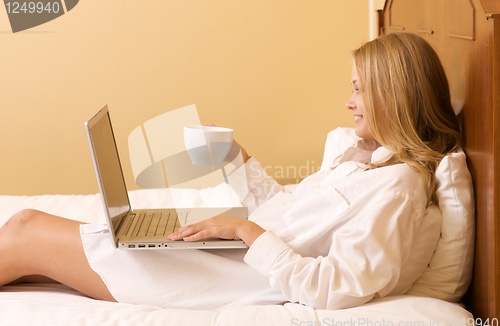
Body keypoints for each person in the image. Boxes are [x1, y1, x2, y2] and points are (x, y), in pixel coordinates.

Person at [0, 32, 462, 310]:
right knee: (33, 246)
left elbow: (337, 287)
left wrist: (245, 232)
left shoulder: (398, 188)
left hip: (219, 278)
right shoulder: (362, 161)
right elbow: (288, 213)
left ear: (395, 95)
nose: (348, 102)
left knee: (25, 228)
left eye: (360, 91)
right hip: (216, 257)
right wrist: (237, 160)